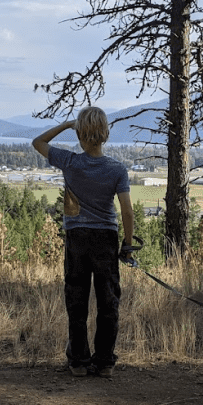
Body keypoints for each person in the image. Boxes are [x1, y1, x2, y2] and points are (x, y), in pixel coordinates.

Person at [32, 107, 134, 378]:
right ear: (106, 134)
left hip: (77, 238)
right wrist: (127, 243)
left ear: (79, 134)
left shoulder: (70, 162)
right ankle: (104, 362)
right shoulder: (117, 169)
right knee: (108, 301)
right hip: (106, 239)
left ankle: (78, 361)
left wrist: (66, 125)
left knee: (76, 300)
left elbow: (38, 142)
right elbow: (126, 210)